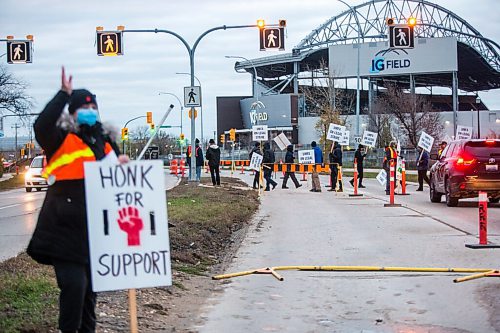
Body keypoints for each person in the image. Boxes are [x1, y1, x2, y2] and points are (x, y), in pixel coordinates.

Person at [27, 67, 127, 333]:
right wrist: (63, 94)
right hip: (63, 228)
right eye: (84, 106)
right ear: (72, 112)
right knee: (75, 286)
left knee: (90, 293)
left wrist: (123, 166)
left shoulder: (105, 141)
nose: (90, 110)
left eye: (93, 106)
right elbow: (41, 125)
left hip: (95, 231)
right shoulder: (60, 138)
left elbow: (117, 178)